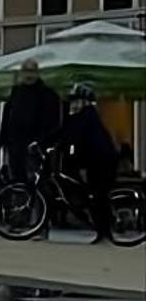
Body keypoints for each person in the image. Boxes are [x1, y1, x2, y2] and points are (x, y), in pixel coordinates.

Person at [43, 82, 120, 241]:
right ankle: (100, 229)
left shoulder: (87, 117)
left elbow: (74, 138)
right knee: (91, 194)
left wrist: (64, 149)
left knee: (98, 196)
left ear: (85, 102)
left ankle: (105, 232)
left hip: (101, 161)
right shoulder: (78, 117)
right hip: (92, 160)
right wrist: (43, 143)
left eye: (76, 101)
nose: (73, 104)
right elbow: (63, 133)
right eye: (73, 101)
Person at [0, 61, 61, 184]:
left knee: (35, 184)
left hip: (36, 149)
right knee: (17, 183)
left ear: (38, 73)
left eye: (32, 71)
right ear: (21, 73)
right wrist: (5, 141)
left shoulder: (47, 95)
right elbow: (7, 117)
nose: (29, 75)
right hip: (16, 148)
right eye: (26, 71)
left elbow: (53, 124)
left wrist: (42, 143)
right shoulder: (16, 93)